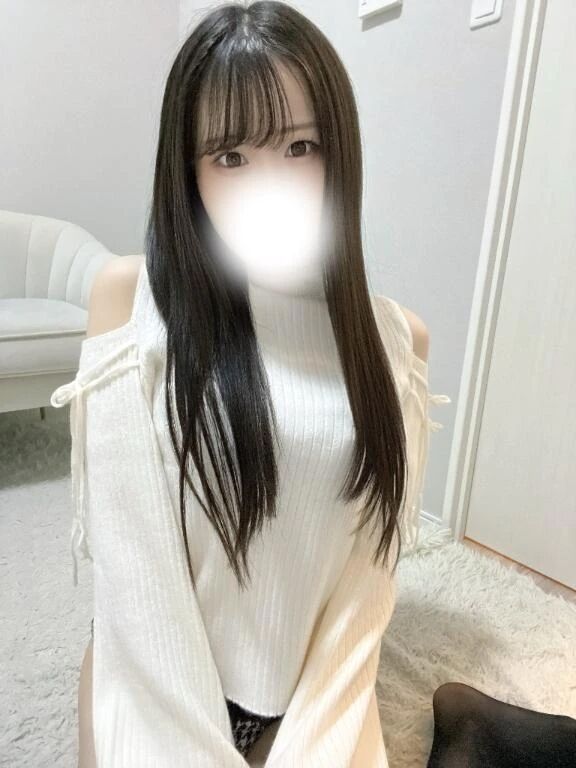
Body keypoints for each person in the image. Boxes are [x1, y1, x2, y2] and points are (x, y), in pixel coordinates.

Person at [50, 2, 575, 766]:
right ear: (189, 171)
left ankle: (472, 724)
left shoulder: (396, 342)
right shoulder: (130, 304)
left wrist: (313, 741)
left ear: (340, 155)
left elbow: (365, 589)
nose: (272, 184)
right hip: (149, 683)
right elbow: (136, 587)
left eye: (300, 146)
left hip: (305, 696)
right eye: (230, 156)